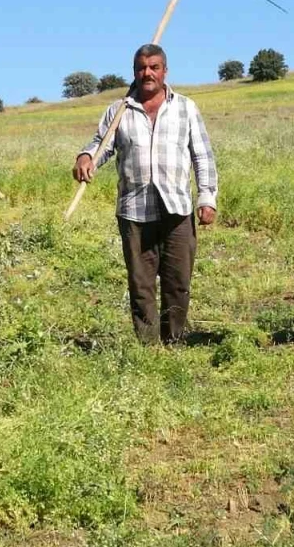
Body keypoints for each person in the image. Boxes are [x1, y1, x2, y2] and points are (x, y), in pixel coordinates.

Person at [73, 44, 218, 344]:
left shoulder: (185, 107)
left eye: (154, 67)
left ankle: (174, 340)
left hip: (177, 208)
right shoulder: (119, 110)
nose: (147, 73)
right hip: (134, 210)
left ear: (165, 71)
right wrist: (86, 158)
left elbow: (202, 156)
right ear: (134, 71)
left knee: (178, 281)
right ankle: (148, 347)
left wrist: (207, 197)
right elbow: (101, 144)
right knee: (141, 283)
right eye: (141, 67)